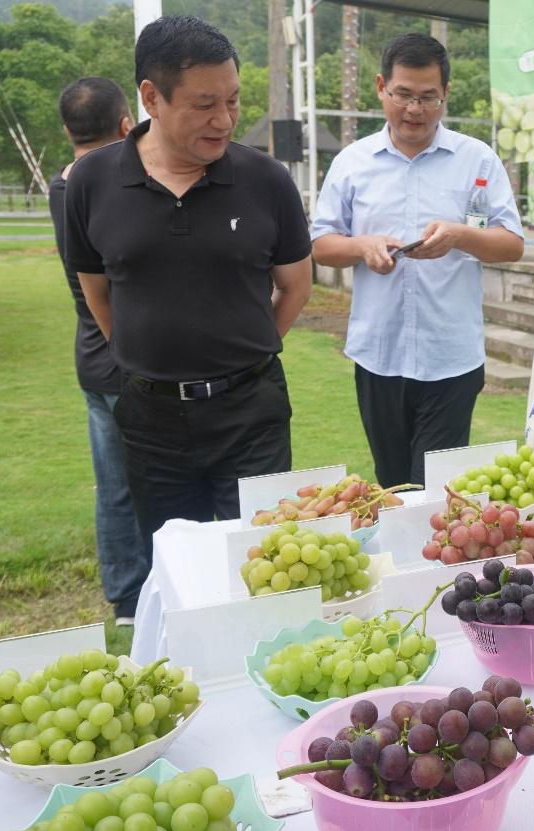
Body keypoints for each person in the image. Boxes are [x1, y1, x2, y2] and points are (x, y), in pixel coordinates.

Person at [64, 16, 313, 598]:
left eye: (232, 101)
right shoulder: (93, 181)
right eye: (204, 105)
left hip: (251, 414)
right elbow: (97, 289)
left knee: (264, 567)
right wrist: (143, 358)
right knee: (179, 570)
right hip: (152, 421)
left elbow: (295, 285)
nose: (224, 120)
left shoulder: (265, 179)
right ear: (151, 97)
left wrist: (247, 352)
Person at [310, 33, 524, 487]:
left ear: (446, 93)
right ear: (381, 86)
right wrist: (361, 247)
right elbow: (321, 243)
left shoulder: (477, 160)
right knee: (391, 484)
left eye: (429, 98)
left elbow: (511, 243)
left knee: (436, 489)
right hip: (378, 354)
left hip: (451, 357)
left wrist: (461, 235)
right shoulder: (353, 162)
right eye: (403, 94)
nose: (414, 110)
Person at [49, 76, 147, 625]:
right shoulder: (105, 187)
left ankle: (127, 599)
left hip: (91, 352)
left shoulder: (60, 186)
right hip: (127, 355)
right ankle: (144, 590)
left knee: (113, 484)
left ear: (67, 129)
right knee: (150, 482)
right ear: (126, 123)